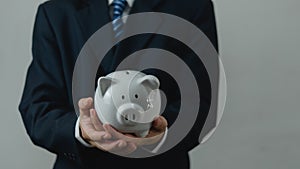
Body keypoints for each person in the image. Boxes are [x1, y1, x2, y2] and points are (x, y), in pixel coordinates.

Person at [19, 0, 218, 169]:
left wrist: (159, 134)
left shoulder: (191, 7)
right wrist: (82, 130)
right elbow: (38, 109)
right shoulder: (56, 13)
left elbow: (200, 103)